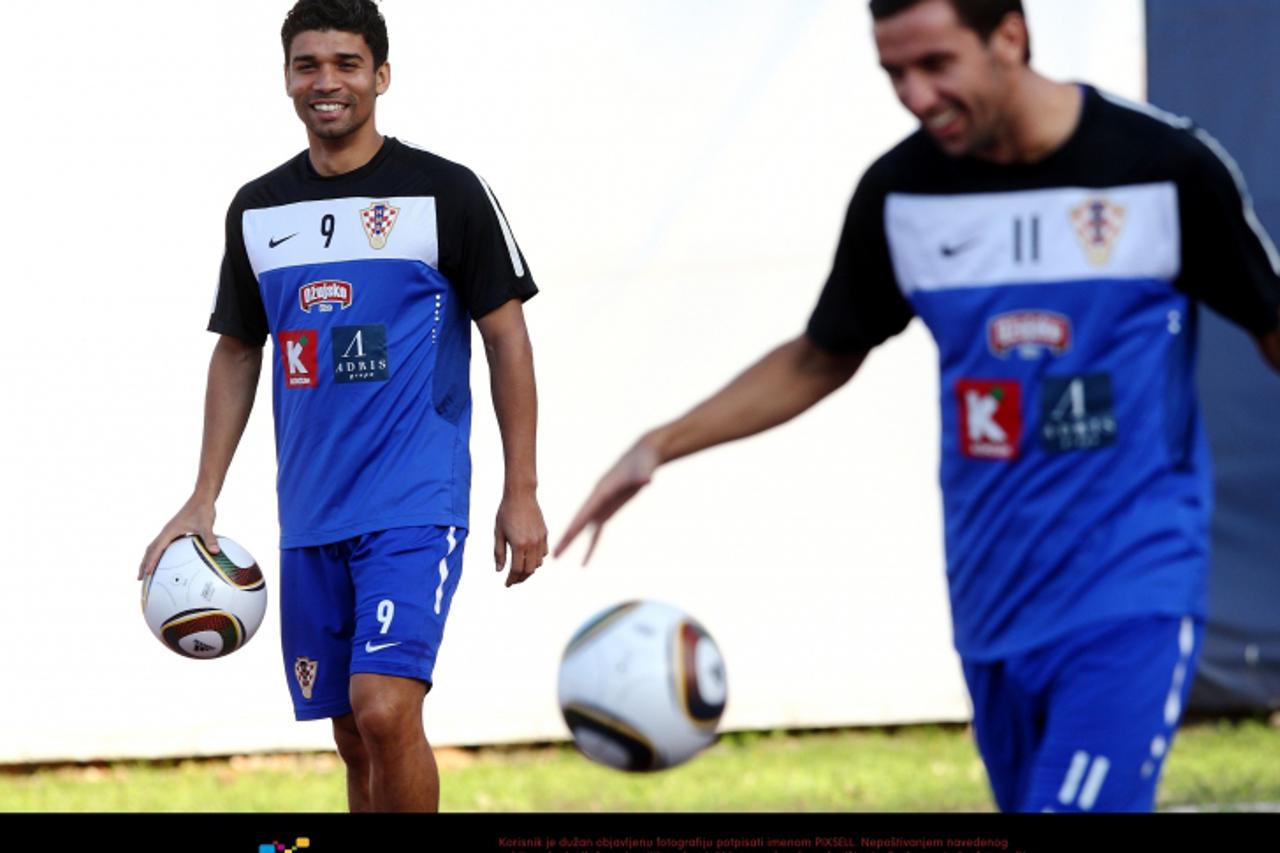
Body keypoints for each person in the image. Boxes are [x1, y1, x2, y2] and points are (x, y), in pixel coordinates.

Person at [555, 0, 1280, 812]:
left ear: (1010, 35)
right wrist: (658, 444)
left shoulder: (1163, 166)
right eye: (894, 72)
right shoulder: (902, 192)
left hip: (1132, 583)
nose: (915, 94)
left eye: (936, 64)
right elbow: (822, 351)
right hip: (991, 597)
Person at [139, 0, 547, 813]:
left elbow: (509, 340)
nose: (327, 82)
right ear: (288, 78)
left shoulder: (446, 194)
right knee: (353, 733)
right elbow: (238, 348)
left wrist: (522, 487)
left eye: (347, 64)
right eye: (308, 65)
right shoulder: (257, 209)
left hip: (415, 498)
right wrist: (203, 493)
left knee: (385, 706)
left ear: (381, 76)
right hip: (312, 511)